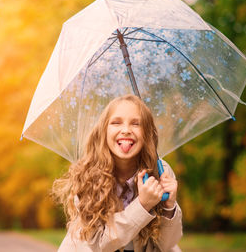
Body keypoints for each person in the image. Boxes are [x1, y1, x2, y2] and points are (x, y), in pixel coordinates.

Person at [52, 94, 182, 252]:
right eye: (116, 122)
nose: (126, 130)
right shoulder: (88, 176)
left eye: (136, 123)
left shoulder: (160, 172)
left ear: (147, 133)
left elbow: (167, 245)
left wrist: (169, 207)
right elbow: (100, 245)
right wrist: (142, 205)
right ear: (103, 131)